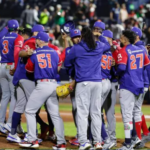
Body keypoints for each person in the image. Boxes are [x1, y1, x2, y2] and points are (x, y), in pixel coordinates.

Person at [64, 27, 111, 150]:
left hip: (83, 82)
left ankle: (84, 141)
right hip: (97, 82)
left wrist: (76, 68)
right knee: (95, 113)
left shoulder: (77, 48)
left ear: (82, 36)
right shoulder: (98, 46)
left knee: (82, 114)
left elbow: (67, 63)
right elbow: (108, 44)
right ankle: (98, 142)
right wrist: (99, 35)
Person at [19, 32, 66, 149]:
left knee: (29, 110)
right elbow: (59, 66)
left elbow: (28, 70)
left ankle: (32, 139)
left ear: (40, 41)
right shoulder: (55, 52)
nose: (35, 41)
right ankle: (61, 142)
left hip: (42, 84)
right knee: (55, 115)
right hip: (54, 83)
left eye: (37, 40)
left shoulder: (35, 53)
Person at [116, 30, 150, 150]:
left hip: (128, 85)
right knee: (136, 112)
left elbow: (121, 68)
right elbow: (147, 66)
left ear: (126, 39)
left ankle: (128, 143)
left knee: (127, 115)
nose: (120, 38)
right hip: (140, 85)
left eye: (122, 36)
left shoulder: (123, 50)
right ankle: (137, 138)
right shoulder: (141, 49)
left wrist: (116, 73)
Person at [0, 19, 24, 134]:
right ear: (17, 28)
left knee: (5, 96)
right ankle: (9, 123)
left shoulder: (2, 37)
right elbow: (16, 53)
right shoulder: (18, 37)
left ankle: (0, 123)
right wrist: (15, 68)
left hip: (1, 66)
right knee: (14, 96)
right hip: (11, 66)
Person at [131, 27, 150, 148]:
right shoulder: (142, 48)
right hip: (142, 83)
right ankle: (146, 133)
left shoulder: (139, 49)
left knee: (135, 110)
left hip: (141, 83)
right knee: (136, 109)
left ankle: (138, 139)